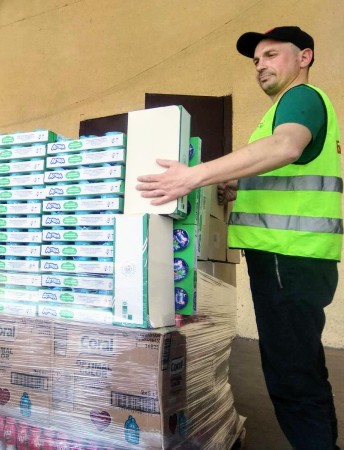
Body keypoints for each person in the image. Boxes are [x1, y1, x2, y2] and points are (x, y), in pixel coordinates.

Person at [136, 27, 341, 449]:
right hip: (292, 259)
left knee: (292, 375)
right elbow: (286, 171)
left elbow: (286, 147)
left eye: (271, 55)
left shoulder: (300, 98)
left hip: (288, 257)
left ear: (304, 57)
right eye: (256, 60)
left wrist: (193, 175)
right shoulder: (284, 109)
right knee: (300, 367)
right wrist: (239, 187)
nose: (260, 65)